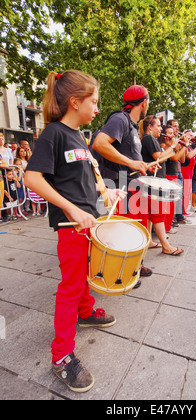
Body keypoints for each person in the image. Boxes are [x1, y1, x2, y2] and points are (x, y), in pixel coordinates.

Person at [24, 70, 125, 393]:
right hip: (70, 226)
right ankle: (62, 356)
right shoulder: (53, 133)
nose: (97, 109)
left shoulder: (79, 137)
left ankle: (85, 312)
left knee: (84, 274)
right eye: (93, 102)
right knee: (70, 286)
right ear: (74, 101)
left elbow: (82, 183)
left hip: (87, 221)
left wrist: (105, 194)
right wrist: (72, 210)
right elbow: (33, 178)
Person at [92, 85, 154, 277]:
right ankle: (122, 271)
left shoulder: (133, 126)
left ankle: (133, 265)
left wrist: (144, 164)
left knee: (136, 228)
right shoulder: (120, 119)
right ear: (144, 103)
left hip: (133, 183)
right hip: (121, 185)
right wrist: (132, 163)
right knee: (125, 230)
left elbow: (129, 156)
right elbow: (99, 143)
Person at [140, 116, 184, 256]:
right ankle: (166, 246)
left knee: (150, 215)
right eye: (158, 126)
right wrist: (172, 146)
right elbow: (159, 157)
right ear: (150, 127)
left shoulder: (152, 139)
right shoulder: (148, 139)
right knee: (157, 214)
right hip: (152, 181)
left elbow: (169, 157)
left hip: (154, 180)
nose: (161, 129)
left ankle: (149, 241)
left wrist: (174, 145)